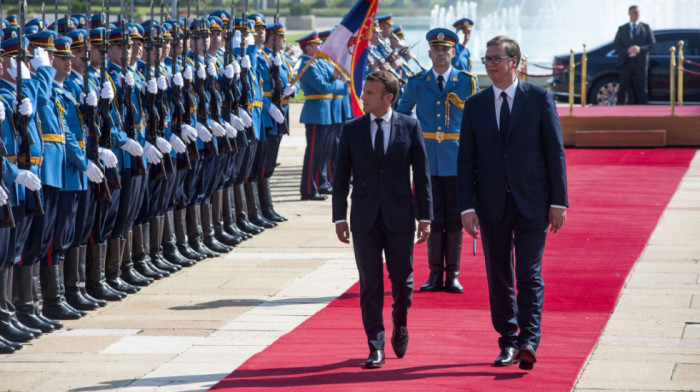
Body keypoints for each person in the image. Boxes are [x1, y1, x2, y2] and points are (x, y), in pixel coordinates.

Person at [457, 36, 568, 371]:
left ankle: (528, 341)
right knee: (499, 275)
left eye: (497, 58)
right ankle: (507, 340)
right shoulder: (475, 104)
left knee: (529, 274)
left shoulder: (538, 98)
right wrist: (467, 207)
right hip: (491, 205)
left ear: (515, 62)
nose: (490, 64)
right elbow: (466, 160)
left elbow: (554, 152)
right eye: (487, 58)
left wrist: (559, 201)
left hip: (533, 202)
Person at [332, 70, 432, 369]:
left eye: (370, 93)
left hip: (400, 217)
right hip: (364, 219)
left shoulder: (410, 127)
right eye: (364, 92)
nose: (363, 97)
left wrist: (425, 216)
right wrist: (339, 217)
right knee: (370, 284)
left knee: (402, 281)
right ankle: (375, 345)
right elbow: (339, 179)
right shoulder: (352, 129)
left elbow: (422, 176)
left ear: (388, 97)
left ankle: (400, 323)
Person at [397, 28, 478, 294]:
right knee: (430, 216)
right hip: (427, 158)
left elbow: (477, 122)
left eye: (446, 49)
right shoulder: (417, 82)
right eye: (436, 49)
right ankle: (434, 274)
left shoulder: (466, 81)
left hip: (457, 159)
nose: (441, 54)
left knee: (455, 218)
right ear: (429, 52)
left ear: (454, 53)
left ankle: (452, 274)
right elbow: (402, 114)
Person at [613, 5, 655, 105]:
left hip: (641, 62)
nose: (637, 15)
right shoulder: (622, 28)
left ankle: (643, 111)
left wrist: (640, 49)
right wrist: (628, 50)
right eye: (634, 12)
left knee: (642, 87)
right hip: (626, 62)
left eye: (638, 12)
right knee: (623, 86)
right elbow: (616, 45)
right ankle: (619, 110)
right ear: (629, 14)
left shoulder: (645, 27)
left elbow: (652, 43)